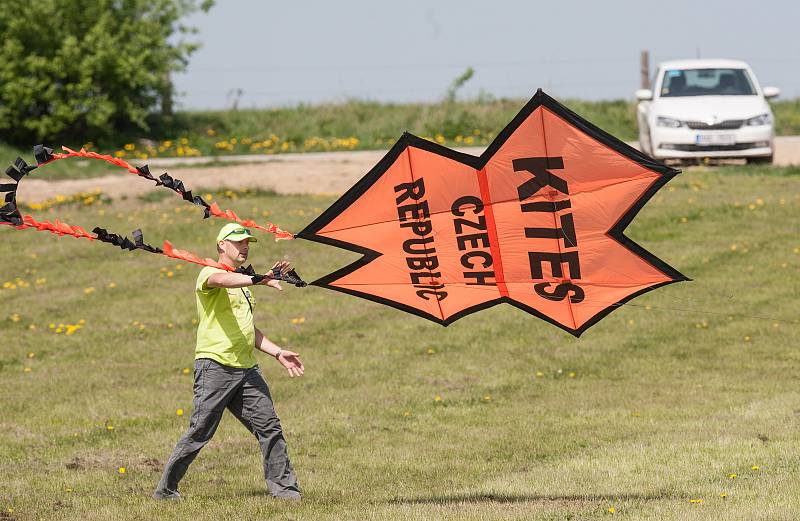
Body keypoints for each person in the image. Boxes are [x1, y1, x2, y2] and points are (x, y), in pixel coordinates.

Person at [153, 222, 305, 500]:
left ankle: (286, 491)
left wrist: (278, 352)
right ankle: (166, 490)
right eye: (238, 242)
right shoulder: (209, 273)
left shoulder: (244, 284)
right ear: (222, 245)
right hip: (215, 367)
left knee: (270, 428)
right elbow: (222, 281)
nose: (244, 246)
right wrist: (259, 279)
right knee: (200, 431)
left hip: (247, 369)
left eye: (247, 242)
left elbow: (248, 328)